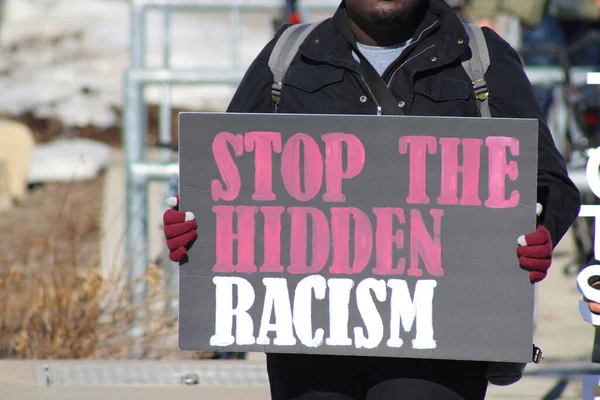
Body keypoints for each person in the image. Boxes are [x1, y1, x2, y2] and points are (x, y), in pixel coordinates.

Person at [163, 1, 581, 399]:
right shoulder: (288, 57)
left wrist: (539, 231)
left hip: (443, 346)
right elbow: (222, 175)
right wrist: (193, 226)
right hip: (309, 347)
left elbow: (551, 183)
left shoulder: (481, 59)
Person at [466, 0, 600, 116]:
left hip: (583, 16)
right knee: (541, 91)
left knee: (590, 88)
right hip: (534, 19)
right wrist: (484, 12)